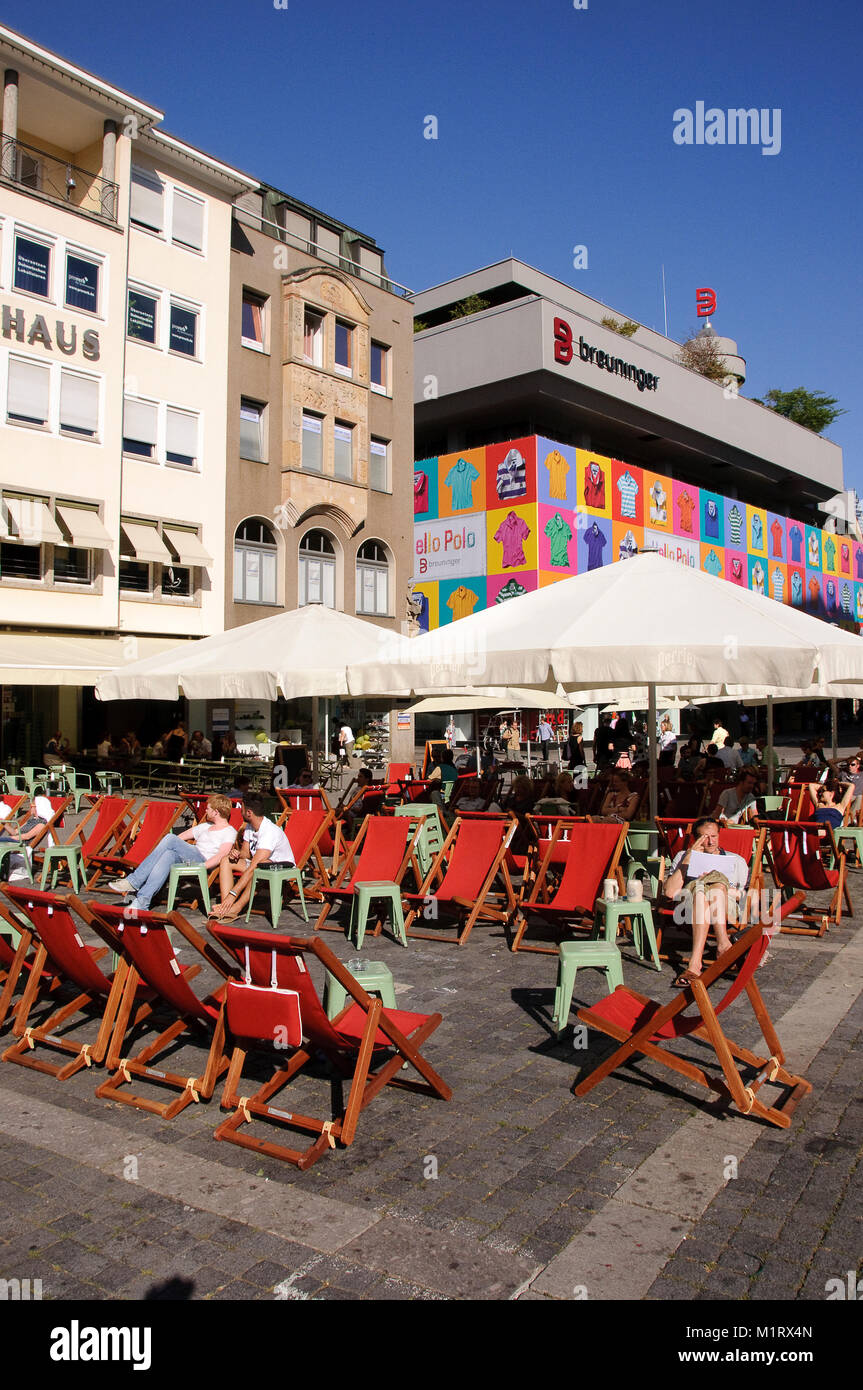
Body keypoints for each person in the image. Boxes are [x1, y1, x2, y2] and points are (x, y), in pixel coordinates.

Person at [107, 795, 237, 910]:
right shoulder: (205, 826)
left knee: (170, 838)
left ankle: (135, 881)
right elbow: (180, 839)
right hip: (191, 857)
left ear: (216, 812)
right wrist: (173, 849)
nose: (205, 811)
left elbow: (222, 855)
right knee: (168, 854)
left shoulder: (229, 831)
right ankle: (142, 901)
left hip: (204, 862)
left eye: (208, 809)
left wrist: (203, 866)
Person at [665, 817, 751, 987]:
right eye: (705, 838)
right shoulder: (683, 856)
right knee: (699, 890)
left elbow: (742, 896)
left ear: (719, 836)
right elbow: (670, 892)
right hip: (689, 907)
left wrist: (715, 884)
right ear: (695, 839)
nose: (711, 842)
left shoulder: (736, 860)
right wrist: (688, 859)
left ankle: (695, 965)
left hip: (725, 904)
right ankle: (723, 944)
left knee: (715, 884)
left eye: (714, 836)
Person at [210, 794, 296, 922]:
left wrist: (233, 894)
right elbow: (245, 854)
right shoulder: (251, 826)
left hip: (280, 867)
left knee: (257, 869)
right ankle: (225, 906)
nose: (240, 811)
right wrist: (236, 854)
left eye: (242, 808)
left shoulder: (269, 832)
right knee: (226, 860)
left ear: (249, 812)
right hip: (259, 864)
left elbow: (254, 866)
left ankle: (235, 908)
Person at [0, 789, 56, 878]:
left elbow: (27, 836)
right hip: (15, 840)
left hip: (21, 843)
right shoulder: (31, 820)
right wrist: (4, 823)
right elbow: (14, 832)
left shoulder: (42, 823)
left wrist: (12, 838)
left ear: (39, 807)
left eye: (32, 805)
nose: (30, 808)